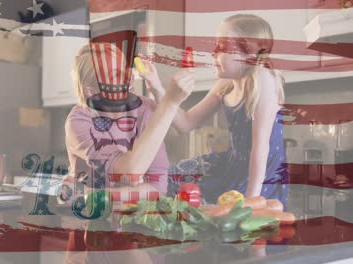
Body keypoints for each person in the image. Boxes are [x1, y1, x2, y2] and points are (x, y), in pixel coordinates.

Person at [63, 32, 194, 264]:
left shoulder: (145, 109)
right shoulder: (79, 121)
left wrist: (101, 195)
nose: (128, 76)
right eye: (115, 74)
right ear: (94, 93)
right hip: (93, 232)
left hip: (140, 228)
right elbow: (130, 174)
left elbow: (156, 189)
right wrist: (170, 102)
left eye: (125, 68)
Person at [144, 14, 288, 206]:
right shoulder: (226, 83)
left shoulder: (263, 79)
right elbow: (185, 123)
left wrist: (251, 200)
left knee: (234, 223)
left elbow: (260, 147)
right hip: (232, 164)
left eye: (223, 47)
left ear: (249, 54)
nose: (213, 52)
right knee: (167, 178)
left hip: (261, 175)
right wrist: (157, 88)